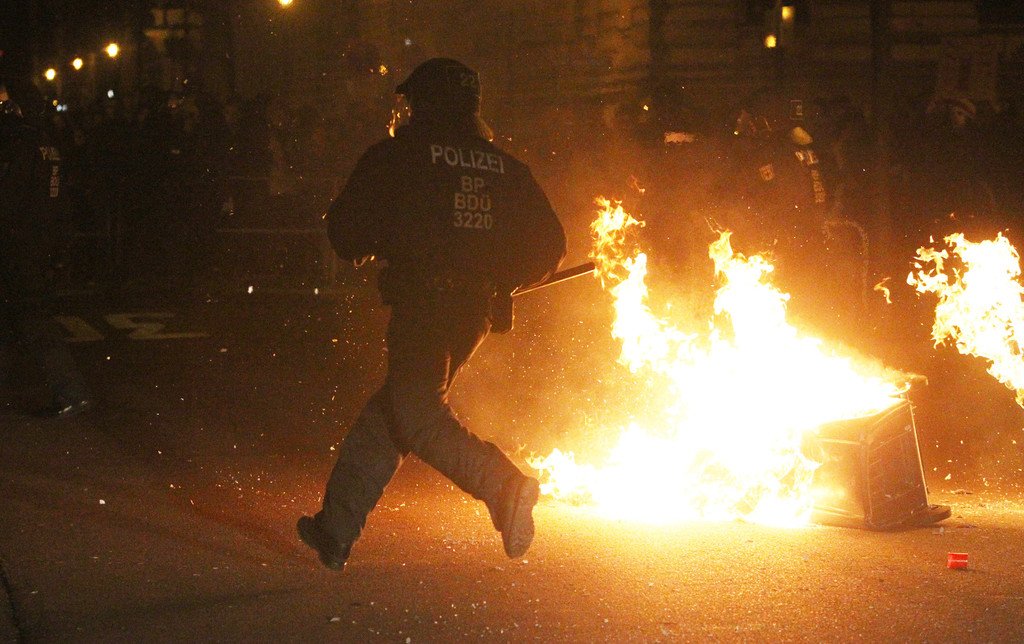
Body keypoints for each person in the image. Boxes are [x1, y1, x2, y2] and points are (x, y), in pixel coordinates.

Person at [298, 58, 566, 570]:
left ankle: (504, 487)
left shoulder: (398, 157)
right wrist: (504, 279)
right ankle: (336, 527)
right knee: (396, 411)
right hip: (473, 313)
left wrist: (388, 238)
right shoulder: (505, 168)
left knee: (417, 413)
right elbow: (549, 245)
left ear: (422, 104)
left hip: (423, 305)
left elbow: (346, 232)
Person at [0, 74, 92, 417]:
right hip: (39, 243)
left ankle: (71, 390)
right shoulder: (46, 143)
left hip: (17, 245)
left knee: (31, 321)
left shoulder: (18, 144)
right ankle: (71, 390)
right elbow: (59, 199)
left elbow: (9, 199)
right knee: (34, 319)